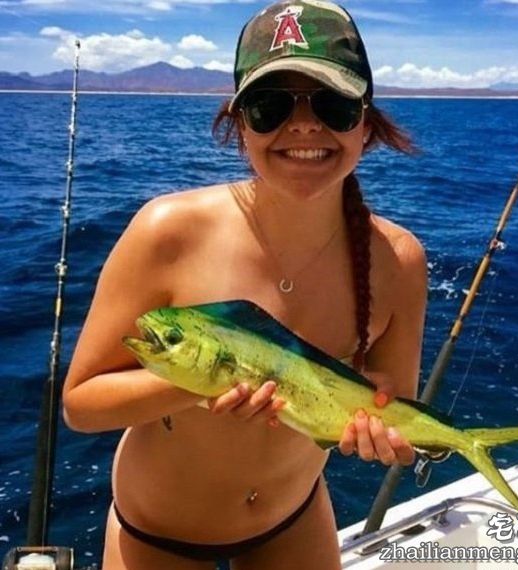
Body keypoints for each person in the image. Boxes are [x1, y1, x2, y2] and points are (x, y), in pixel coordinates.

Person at [62, 1, 427, 569]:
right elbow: (81, 404)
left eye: (333, 104)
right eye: (270, 106)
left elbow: (396, 403)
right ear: (238, 124)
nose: (303, 125)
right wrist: (211, 381)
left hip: (294, 520)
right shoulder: (167, 230)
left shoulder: (399, 260)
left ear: (366, 123)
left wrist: (383, 431)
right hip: (156, 533)